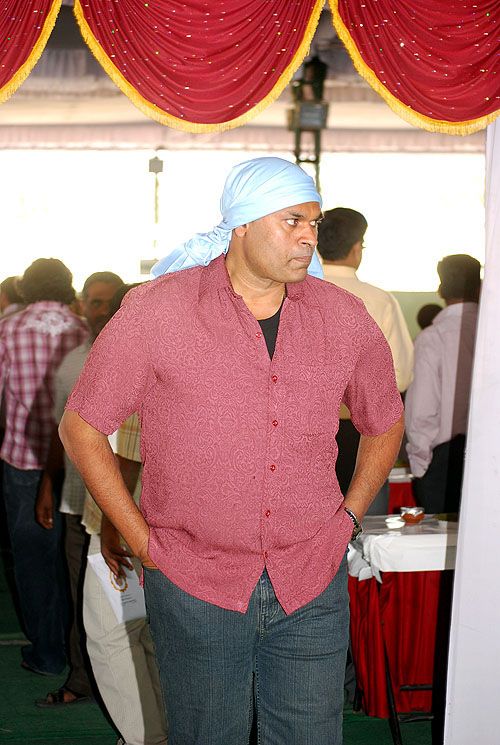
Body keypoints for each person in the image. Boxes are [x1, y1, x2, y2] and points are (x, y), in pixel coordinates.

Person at [59, 157, 404, 745]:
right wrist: (142, 539)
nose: (309, 237)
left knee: (310, 736)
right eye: (292, 221)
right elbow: (82, 427)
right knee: (207, 735)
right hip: (195, 582)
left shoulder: (341, 316)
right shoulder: (158, 310)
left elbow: (385, 421)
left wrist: (347, 517)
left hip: (310, 578)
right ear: (242, 223)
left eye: (314, 223)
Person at [34, 271, 124, 706]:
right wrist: (47, 486)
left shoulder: (148, 358)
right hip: (79, 503)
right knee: (85, 600)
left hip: (136, 508)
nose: (102, 310)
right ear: (81, 305)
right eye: (94, 301)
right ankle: (83, 679)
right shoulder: (73, 362)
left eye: (109, 302)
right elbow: (60, 432)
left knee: (137, 611)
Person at [0, 258, 88, 676]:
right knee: (74, 561)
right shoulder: (84, 329)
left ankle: (48, 653)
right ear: (68, 286)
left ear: (25, 288)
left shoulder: (7, 329)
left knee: (33, 559)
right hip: (76, 461)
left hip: (25, 458)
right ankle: (79, 652)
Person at [317, 207, 413, 508]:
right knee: (362, 515)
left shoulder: (290, 292)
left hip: (301, 427)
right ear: (357, 248)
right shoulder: (379, 300)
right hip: (361, 429)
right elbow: (401, 374)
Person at [83, 411, 167, 745]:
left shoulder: (137, 372)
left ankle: (148, 738)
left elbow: (130, 450)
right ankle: (162, 732)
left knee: (111, 636)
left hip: (127, 517)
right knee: (143, 635)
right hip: (157, 517)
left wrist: (110, 526)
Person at [405, 254, 480, 514]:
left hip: (446, 462)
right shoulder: (492, 332)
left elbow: (422, 411)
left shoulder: (433, 338)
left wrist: (421, 465)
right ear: (479, 288)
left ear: (441, 290)